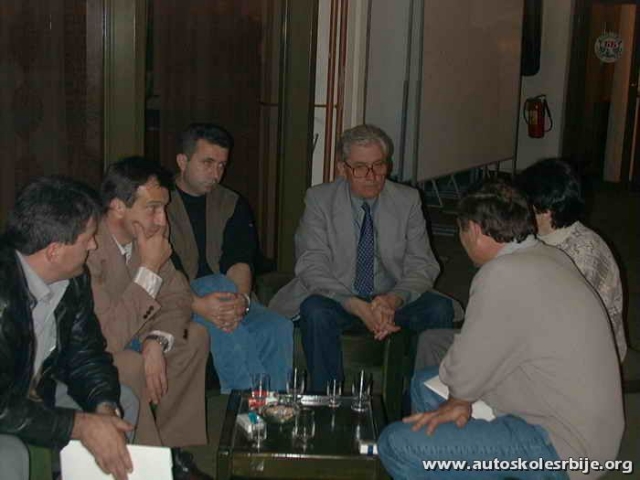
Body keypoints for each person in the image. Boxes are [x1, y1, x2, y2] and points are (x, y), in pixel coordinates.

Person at [378, 179, 624, 480]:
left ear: (474, 231)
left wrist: (460, 398)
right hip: (578, 420)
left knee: (397, 444)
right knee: (424, 385)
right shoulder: (548, 256)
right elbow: (480, 356)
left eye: (461, 230)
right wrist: (459, 397)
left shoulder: (502, 275)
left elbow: (464, 372)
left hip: (563, 446)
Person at [269, 124, 454, 392]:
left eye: (379, 165)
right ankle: (328, 401)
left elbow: (422, 264)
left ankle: (422, 399)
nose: (371, 176)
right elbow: (311, 265)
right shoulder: (319, 199)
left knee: (439, 308)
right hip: (340, 297)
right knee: (315, 311)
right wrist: (354, 305)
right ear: (342, 168)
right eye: (360, 167)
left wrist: (393, 299)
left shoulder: (407, 200)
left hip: (389, 296)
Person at [0, 176, 139, 480]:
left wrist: (103, 406)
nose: (94, 245)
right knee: (8, 457)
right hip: (7, 405)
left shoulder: (72, 279)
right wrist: (80, 425)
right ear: (54, 251)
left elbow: (86, 353)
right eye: (87, 238)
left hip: (33, 391)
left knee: (122, 404)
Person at [86, 157, 211, 480]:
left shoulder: (149, 237)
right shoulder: (89, 247)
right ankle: (151, 464)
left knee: (194, 337)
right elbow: (108, 337)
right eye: (152, 208)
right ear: (118, 206)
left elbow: (179, 298)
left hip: (139, 336)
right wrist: (150, 268)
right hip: (94, 349)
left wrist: (155, 340)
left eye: (164, 208)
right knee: (130, 363)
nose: (162, 220)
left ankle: (174, 448)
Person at [167, 123, 293, 393]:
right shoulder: (161, 202)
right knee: (215, 284)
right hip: (179, 298)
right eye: (207, 163)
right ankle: (250, 398)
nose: (216, 174)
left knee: (277, 327)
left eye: (221, 166)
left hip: (226, 298)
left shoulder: (231, 202)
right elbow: (165, 271)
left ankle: (278, 404)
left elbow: (240, 261)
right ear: (182, 161)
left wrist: (242, 302)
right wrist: (200, 304)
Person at [517, 158, 626, 361]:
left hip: (591, 354)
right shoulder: (544, 236)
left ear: (546, 211)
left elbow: (570, 327)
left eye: (524, 203)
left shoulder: (583, 255)